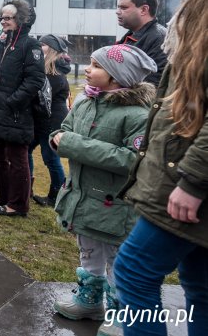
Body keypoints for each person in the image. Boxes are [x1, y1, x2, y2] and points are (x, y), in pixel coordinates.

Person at [113, 0, 208, 336]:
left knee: (132, 271)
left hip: (186, 178)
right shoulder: (196, 29)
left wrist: (194, 179)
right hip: (180, 170)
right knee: (201, 285)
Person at [50, 44, 155, 336]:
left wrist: (71, 144)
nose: (87, 69)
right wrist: (57, 138)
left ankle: (122, 311)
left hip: (114, 204)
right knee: (88, 249)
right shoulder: (85, 102)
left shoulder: (136, 115)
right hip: (82, 197)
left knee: (116, 258)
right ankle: (90, 300)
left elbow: (133, 159)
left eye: (95, 66)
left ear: (117, 76)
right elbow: (64, 129)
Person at [0, 0, 45, 218]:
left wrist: (13, 101)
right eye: (2, 17)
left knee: (16, 159)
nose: (3, 21)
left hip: (15, 113)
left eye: (8, 17)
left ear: (20, 19)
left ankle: (18, 204)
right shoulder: (2, 44)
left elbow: (35, 80)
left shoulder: (30, 45)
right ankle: (3, 197)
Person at [29, 34, 71, 206]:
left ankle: (56, 197)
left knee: (51, 159)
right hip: (40, 120)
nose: (39, 47)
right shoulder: (44, 69)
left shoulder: (57, 74)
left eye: (43, 44)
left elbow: (39, 96)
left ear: (52, 49)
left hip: (52, 122)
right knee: (26, 149)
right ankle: (26, 187)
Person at [116, 0, 167, 86]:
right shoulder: (131, 36)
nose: (117, 12)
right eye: (118, 7)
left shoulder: (160, 39)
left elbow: (155, 84)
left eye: (123, 8)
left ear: (144, 10)